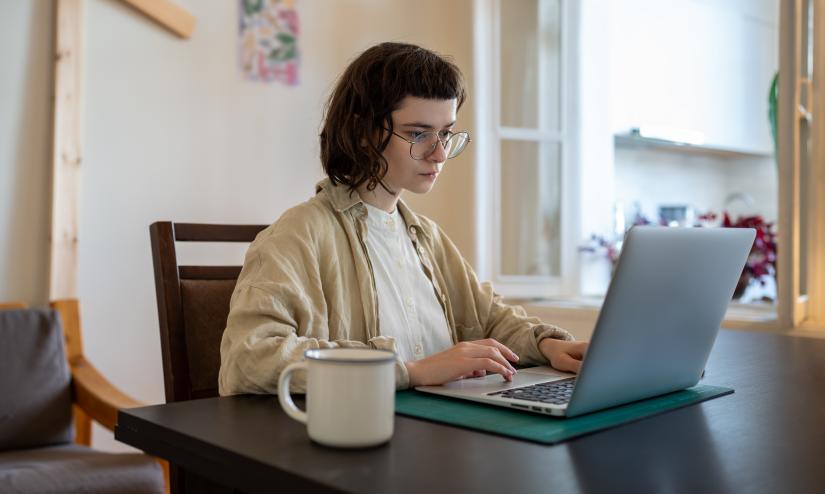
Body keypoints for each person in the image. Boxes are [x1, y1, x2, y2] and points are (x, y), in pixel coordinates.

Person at [218, 42, 588, 395]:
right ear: (364, 131)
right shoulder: (297, 235)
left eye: (445, 133)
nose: (439, 153)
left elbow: (490, 319)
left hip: (438, 434)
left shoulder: (427, 238)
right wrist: (410, 371)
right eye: (418, 133)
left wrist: (549, 345)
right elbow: (249, 357)